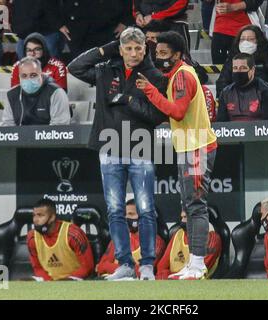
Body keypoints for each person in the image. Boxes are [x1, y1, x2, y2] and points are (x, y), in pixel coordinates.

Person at [68, 27, 167, 281]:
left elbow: (158, 116)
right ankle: (124, 264)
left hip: (141, 146)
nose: (134, 53)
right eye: (128, 48)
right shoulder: (107, 70)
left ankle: (146, 266)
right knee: (114, 210)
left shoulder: (154, 75)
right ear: (121, 49)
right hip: (110, 148)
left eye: (138, 48)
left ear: (145, 49)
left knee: (145, 209)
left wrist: (129, 101)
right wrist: (106, 49)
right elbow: (75, 68)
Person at [136, 31, 217, 280]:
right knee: (190, 206)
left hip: (196, 148)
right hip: (189, 147)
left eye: (163, 53)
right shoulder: (177, 74)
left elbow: (178, 112)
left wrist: (150, 91)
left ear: (178, 54)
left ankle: (198, 264)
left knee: (196, 207)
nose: (159, 58)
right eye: (157, 53)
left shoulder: (182, 76)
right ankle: (193, 264)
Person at [216, 25, 268, 96]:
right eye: (242, 39)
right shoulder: (232, 59)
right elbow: (222, 82)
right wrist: (231, 97)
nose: (246, 42)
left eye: (250, 39)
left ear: (258, 41)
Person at [27, 199, 94, 281]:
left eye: (40, 215)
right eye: (34, 215)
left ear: (52, 217)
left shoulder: (73, 234)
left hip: (73, 280)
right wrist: (49, 282)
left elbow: (87, 267)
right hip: (48, 281)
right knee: (22, 283)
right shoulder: (32, 237)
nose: (35, 220)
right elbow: (37, 267)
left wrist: (64, 282)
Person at [96, 199, 166, 278]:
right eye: (125, 214)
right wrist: (127, 269)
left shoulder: (155, 241)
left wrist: (110, 267)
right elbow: (101, 266)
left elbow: (142, 271)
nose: (126, 218)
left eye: (131, 214)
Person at [3, 57, 70, 126]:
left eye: (33, 75)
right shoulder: (12, 95)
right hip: (21, 135)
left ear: (41, 74)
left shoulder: (56, 93)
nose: (28, 79)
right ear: (19, 77)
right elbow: (8, 126)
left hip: (48, 135)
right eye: (24, 76)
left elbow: (60, 127)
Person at [156, 211, 222, 280]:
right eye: (182, 217)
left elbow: (198, 272)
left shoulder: (213, 239)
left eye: (185, 217)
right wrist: (166, 277)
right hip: (173, 280)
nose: (182, 221)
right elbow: (161, 267)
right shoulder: (178, 234)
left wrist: (176, 279)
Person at [217, 53, 268, 121]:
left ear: (252, 70)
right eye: (235, 68)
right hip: (232, 131)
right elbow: (221, 124)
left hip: (257, 130)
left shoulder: (266, 92)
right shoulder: (225, 93)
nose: (238, 71)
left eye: (243, 68)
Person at [60, 0, 132, 58]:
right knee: (80, 67)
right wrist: (59, 24)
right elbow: (52, 3)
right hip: (77, 29)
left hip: (109, 27)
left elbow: (128, 2)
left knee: (108, 65)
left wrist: (124, 21)